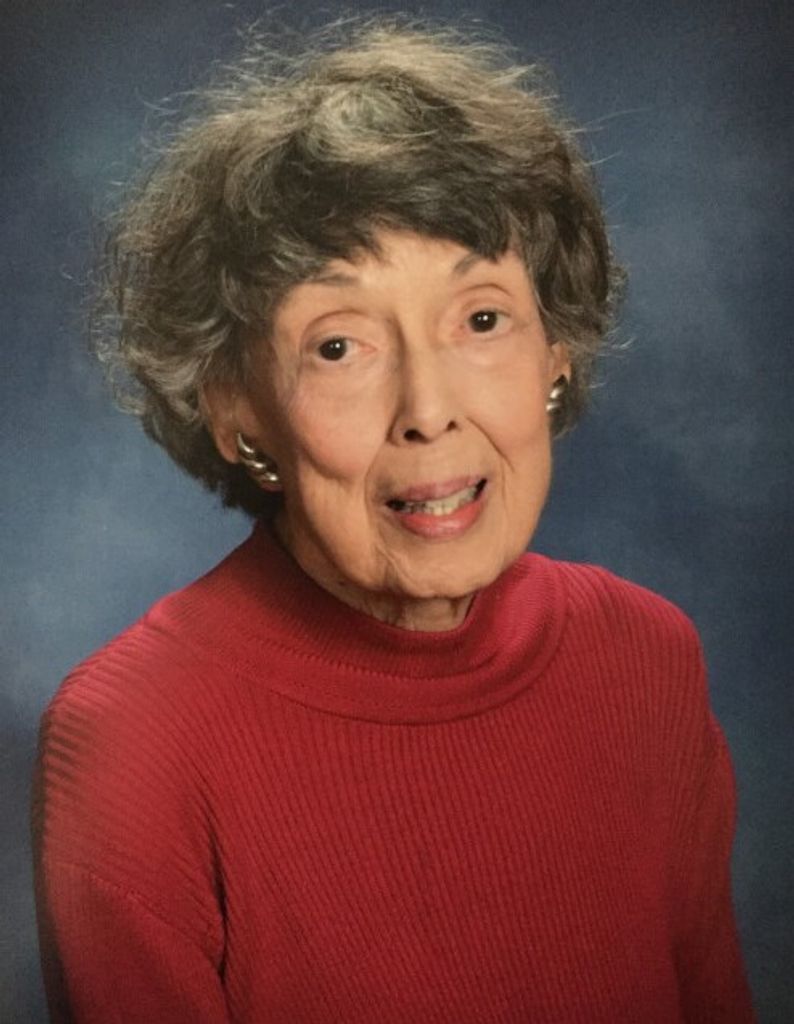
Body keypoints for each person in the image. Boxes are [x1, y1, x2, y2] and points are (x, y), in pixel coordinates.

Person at [31, 19, 755, 1023]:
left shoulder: (646, 660)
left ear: (555, 354)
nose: (428, 409)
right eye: (338, 346)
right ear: (235, 408)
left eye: (482, 319)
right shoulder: (135, 742)